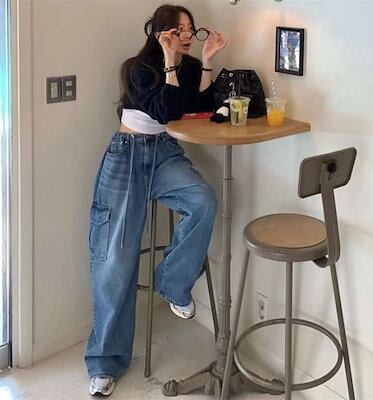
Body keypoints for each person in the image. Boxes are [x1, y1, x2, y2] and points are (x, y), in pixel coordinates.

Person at [84, 4, 227, 397]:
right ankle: (105, 363)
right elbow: (165, 110)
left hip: (164, 152)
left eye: (191, 29)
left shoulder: (190, 66)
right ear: (161, 32)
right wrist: (167, 61)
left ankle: (172, 282)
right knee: (114, 259)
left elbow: (200, 109)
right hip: (127, 153)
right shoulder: (137, 68)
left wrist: (208, 62)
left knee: (203, 199)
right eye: (179, 30)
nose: (187, 36)